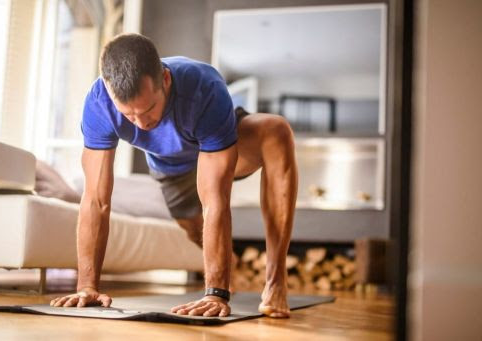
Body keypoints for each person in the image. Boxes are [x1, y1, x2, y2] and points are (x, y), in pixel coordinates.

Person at [49, 33, 298, 318]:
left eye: (149, 109)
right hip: (170, 167)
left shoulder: (204, 87)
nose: (142, 125)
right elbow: (95, 200)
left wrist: (216, 294)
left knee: (276, 131)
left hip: (222, 144)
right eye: (129, 117)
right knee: (194, 230)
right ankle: (231, 265)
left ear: (165, 80)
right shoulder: (98, 104)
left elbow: (215, 200)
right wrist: (86, 286)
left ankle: (275, 281)